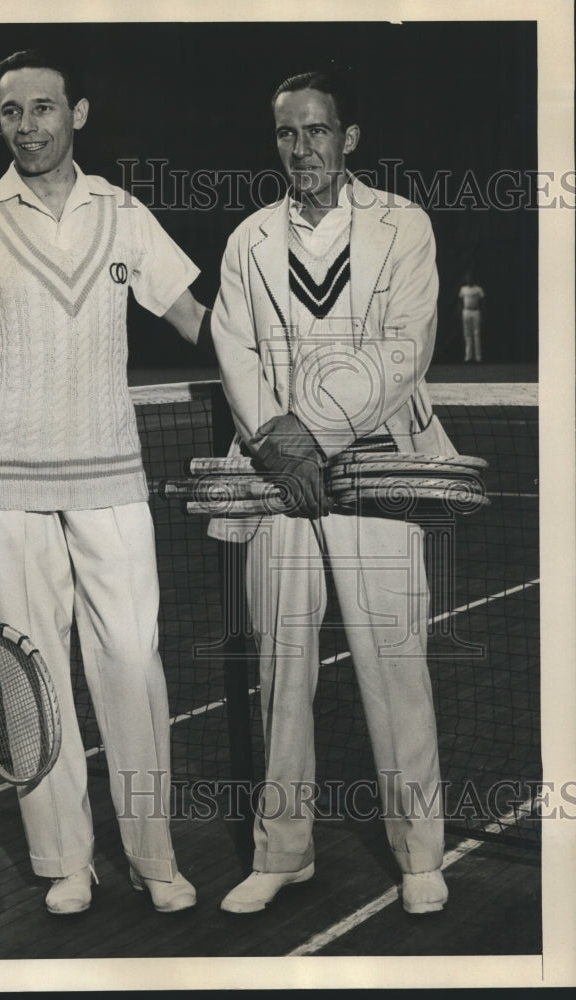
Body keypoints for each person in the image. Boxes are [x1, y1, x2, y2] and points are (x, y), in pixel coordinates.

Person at [0, 49, 211, 916]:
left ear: (77, 113)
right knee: (30, 683)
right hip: (5, 491)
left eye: (44, 107)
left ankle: (154, 857)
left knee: (131, 668)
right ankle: (64, 862)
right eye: (12, 112)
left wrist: (284, 369)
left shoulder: (123, 211)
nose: (28, 125)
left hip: (111, 477)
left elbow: (195, 318)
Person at [209, 69, 457, 916]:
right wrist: (278, 443)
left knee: (396, 669)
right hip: (279, 480)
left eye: (317, 131)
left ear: (348, 137)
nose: (301, 147)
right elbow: (234, 350)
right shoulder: (247, 239)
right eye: (286, 133)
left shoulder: (402, 224)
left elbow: (404, 348)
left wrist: (306, 434)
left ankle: (419, 852)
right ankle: (283, 852)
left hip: (378, 470)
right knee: (281, 673)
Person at [458, 271, 485, 362]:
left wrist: (482, 312)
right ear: (466, 279)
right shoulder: (463, 289)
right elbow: (460, 302)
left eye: (471, 278)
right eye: (468, 278)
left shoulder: (478, 289)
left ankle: (478, 357)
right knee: (467, 334)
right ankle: (468, 357)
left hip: (476, 311)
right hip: (466, 312)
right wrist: (460, 311)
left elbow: (482, 302)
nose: (469, 279)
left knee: (476, 334)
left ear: (473, 279)